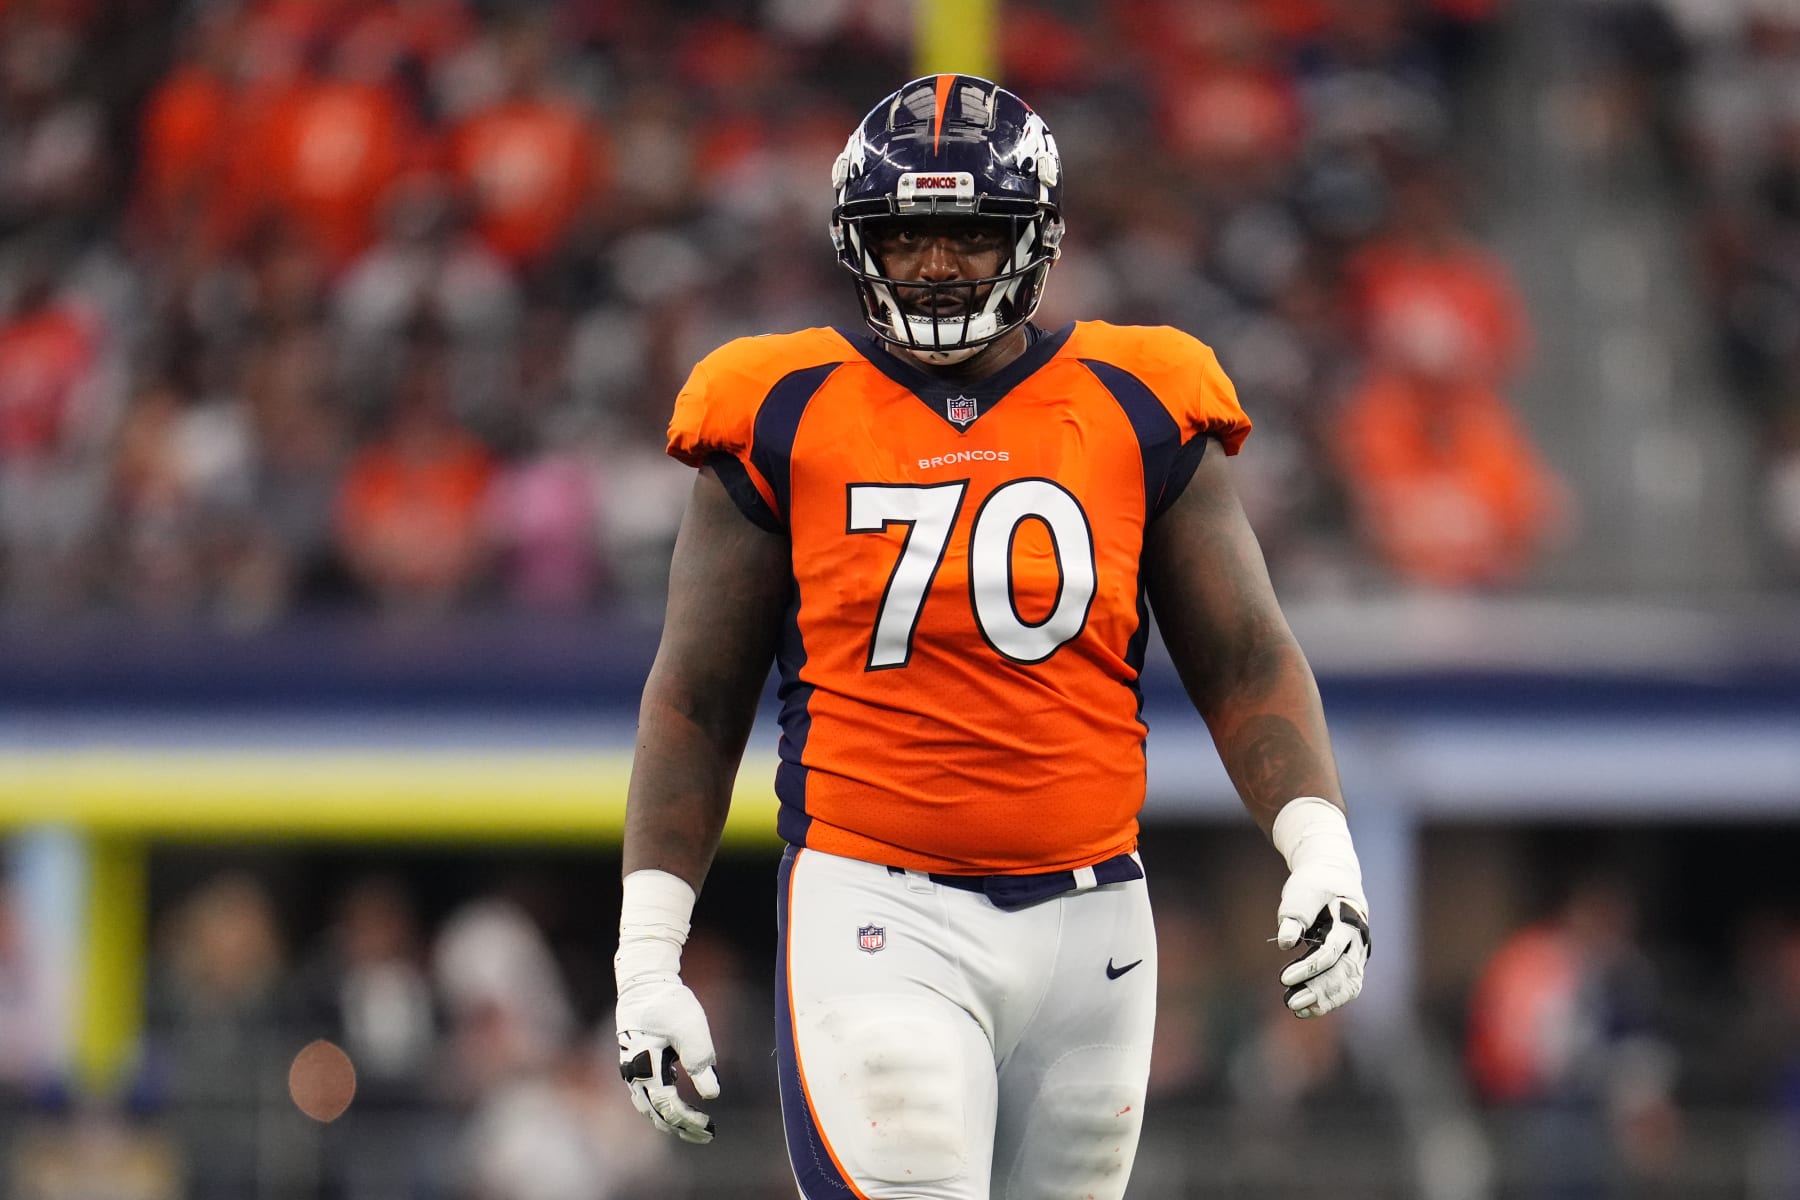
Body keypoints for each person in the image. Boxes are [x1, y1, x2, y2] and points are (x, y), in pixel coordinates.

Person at [612, 74, 1373, 1200]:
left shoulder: (1138, 396)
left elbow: (1246, 655)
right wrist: (646, 956)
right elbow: (694, 699)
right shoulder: (777, 404)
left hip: (1096, 922)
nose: (934, 263)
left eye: (968, 232)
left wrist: (1321, 844)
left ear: (1038, 236)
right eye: (906, 233)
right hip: (877, 909)